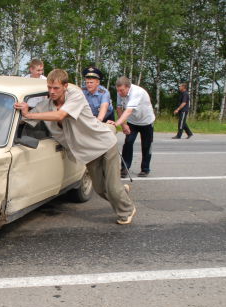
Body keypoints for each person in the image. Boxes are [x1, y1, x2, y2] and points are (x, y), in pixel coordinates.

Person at [14, 69, 136, 225]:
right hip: (86, 152)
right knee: (99, 189)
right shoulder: (45, 105)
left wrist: (30, 114)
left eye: (56, 88)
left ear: (65, 86)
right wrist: (21, 112)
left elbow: (60, 116)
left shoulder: (76, 96)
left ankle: (127, 210)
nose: (52, 91)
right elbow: (25, 120)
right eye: (49, 87)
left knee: (112, 187)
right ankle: (121, 193)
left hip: (103, 143)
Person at [109, 76, 155, 178]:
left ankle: (145, 169)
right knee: (128, 143)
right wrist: (123, 124)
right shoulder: (120, 92)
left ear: (128, 87)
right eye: (118, 90)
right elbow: (119, 108)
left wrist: (116, 123)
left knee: (146, 146)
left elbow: (128, 110)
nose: (120, 93)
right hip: (132, 121)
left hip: (146, 121)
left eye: (122, 90)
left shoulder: (137, 92)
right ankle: (125, 168)